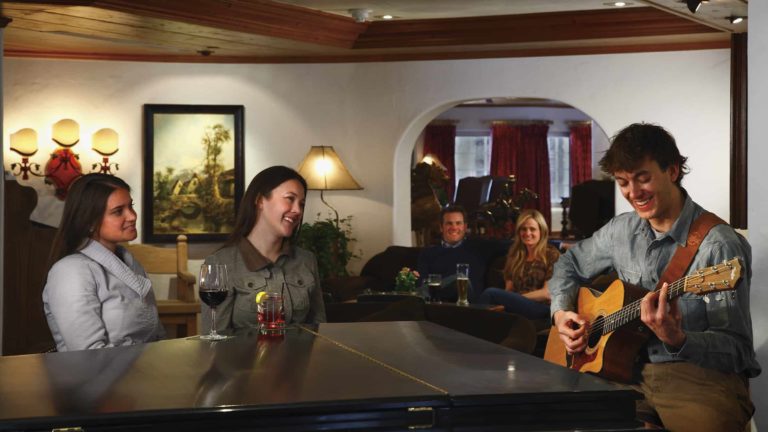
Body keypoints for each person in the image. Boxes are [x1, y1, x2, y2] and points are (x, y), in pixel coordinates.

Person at [549, 123, 759, 431]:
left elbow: (738, 351)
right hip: (623, 373)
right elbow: (567, 265)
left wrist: (679, 339)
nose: (633, 193)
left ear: (672, 171)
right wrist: (561, 312)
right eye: (623, 182)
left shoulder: (719, 245)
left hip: (696, 378)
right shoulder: (620, 230)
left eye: (642, 178)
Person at [43, 174, 164, 352]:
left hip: (146, 372)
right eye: (118, 211)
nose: (132, 216)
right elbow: (88, 353)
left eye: (131, 206)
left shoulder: (130, 263)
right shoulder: (70, 272)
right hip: (96, 378)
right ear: (90, 222)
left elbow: (156, 335)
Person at [203, 166, 326, 333]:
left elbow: (319, 331)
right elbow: (214, 340)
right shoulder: (220, 263)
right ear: (260, 200)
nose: (298, 210)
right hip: (242, 359)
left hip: (300, 359)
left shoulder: (307, 260)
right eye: (290, 198)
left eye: (301, 203)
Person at [477, 210, 560, 320]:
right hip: (517, 307)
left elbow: (547, 293)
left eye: (532, 229)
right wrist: (507, 302)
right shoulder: (515, 255)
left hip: (542, 309)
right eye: (523, 229)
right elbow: (509, 290)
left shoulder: (551, 255)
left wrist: (513, 299)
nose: (527, 233)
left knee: (490, 293)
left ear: (541, 231)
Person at [416, 205, 507, 302]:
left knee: (460, 279)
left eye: (458, 223)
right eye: (449, 223)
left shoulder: (479, 247)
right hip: (440, 304)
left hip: (470, 305)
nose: (454, 227)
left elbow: (510, 245)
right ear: (441, 227)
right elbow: (422, 284)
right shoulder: (428, 253)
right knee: (425, 289)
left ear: (465, 227)